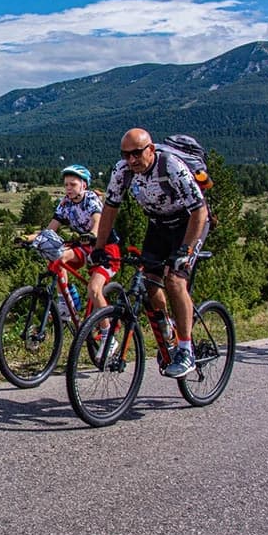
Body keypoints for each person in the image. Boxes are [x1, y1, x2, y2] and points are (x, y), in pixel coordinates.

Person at [91, 128, 210, 379]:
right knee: (150, 282)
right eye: (126, 155)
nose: (131, 160)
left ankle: (186, 349)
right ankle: (167, 330)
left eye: (136, 153)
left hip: (189, 223)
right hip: (158, 225)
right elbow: (110, 209)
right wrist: (99, 248)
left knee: (175, 280)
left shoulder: (172, 167)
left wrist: (185, 250)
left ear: (151, 149)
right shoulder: (121, 171)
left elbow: (200, 212)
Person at [20, 164, 121, 347]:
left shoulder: (91, 199)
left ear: (84, 185)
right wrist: (27, 238)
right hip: (84, 246)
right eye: (66, 184)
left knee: (94, 289)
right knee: (58, 258)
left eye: (72, 184)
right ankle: (66, 302)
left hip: (105, 249)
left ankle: (108, 336)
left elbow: (98, 223)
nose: (68, 188)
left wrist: (92, 234)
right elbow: (50, 230)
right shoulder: (65, 203)